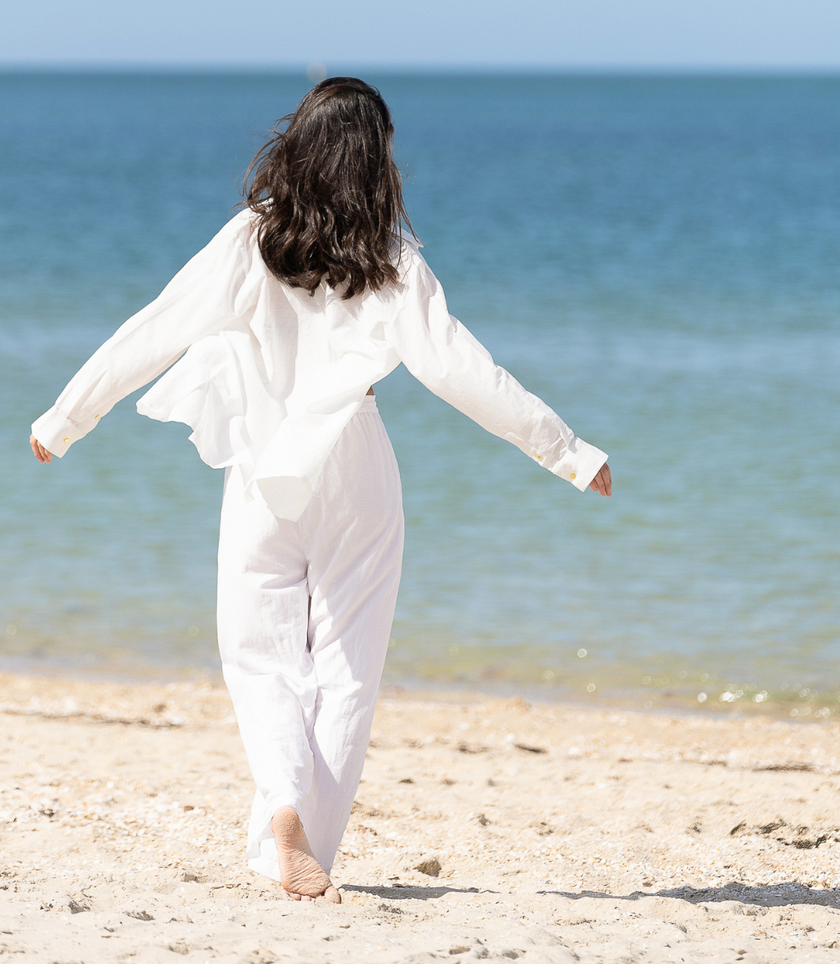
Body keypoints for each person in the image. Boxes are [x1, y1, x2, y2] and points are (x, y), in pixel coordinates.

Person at [30, 77, 611, 905]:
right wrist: (569, 452)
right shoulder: (392, 259)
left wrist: (64, 418)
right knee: (347, 669)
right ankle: (299, 853)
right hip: (357, 465)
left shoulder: (249, 240)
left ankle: (285, 812)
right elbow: (463, 372)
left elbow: (152, 331)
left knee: (258, 656)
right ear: (377, 162)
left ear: (297, 147)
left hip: (264, 466)